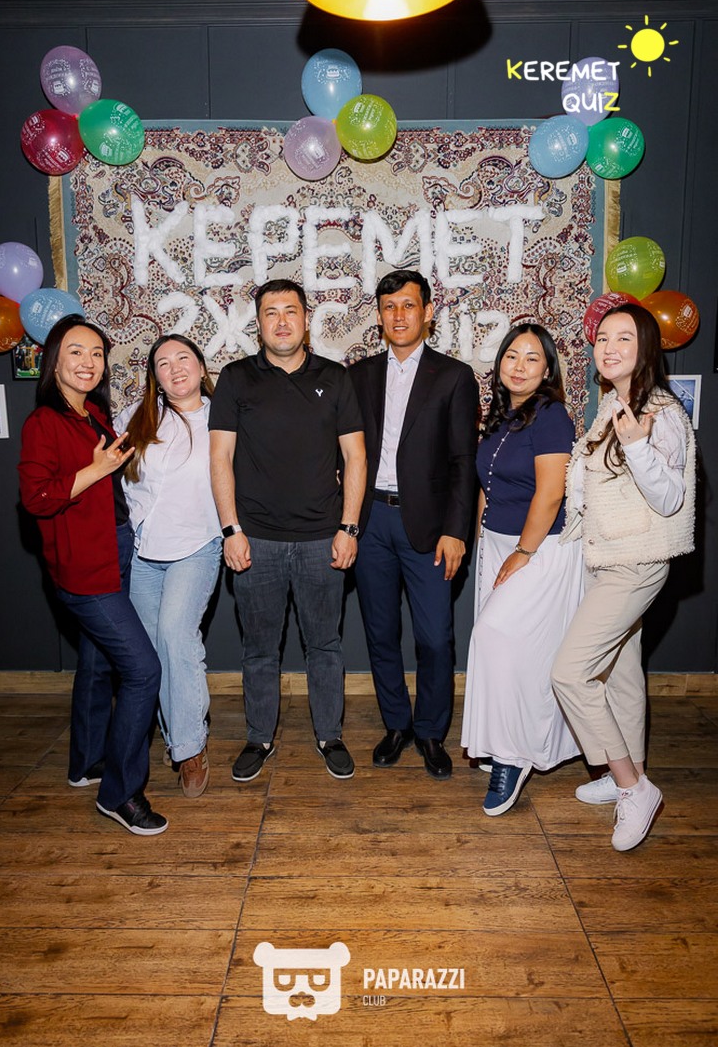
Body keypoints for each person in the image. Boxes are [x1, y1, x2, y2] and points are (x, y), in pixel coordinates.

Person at [209, 278, 367, 781]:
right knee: (259, 650)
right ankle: (259, 737)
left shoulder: (335, 378)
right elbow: (220, 458)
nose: (281, 321)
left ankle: (330, 735)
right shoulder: (236, 379)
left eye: (290, 311)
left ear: (306, 319)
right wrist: (231, 529)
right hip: (255, 541)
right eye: (271, 312)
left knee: (325, 645)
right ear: (258, 324)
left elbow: (356, 457)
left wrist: (350, 528)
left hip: (324, 538)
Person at [551, 303, 695, 852]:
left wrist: (636, 444)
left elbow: (670, 497)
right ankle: (625, 773)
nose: (608, 348)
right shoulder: (615, 403)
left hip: (636, 563)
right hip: (606, 557)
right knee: (621, 675)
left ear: (646, 348)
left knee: (570, 674)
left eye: (623, 339)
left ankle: (634, 787)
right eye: (602, 339)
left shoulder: (661, 412)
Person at [18, 315, 166, 836]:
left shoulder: (94, 413)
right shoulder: (44, 423)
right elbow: (37, 498)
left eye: (97, 353)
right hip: (84, 569)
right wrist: (98, 469)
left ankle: (85, 762)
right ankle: (120, 793)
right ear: (54, 361)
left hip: (116, 549)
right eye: (76, 352)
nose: (88, 362)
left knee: (99, 661)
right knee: (144, 671)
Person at [349, 270, 479, 780]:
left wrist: (456, 530)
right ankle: (397, 725)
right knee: (381, 633)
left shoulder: (454, 377)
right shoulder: (358, 375)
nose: (398, 315)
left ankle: (430, 731)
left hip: (429, 526)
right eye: (389, 307)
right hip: (371, 521)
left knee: (435, 638)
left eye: (408, 305)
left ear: (427, 312)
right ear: (379, 315)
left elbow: (464, 462)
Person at [461, 324, 583, 815]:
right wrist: (481, 539)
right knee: (507, 655)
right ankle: (501, 743)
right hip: (498, 544)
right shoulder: (500, 417)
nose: (519, 366)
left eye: (533, 358)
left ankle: (513, 760)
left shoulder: (552, 417)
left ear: (547, 369)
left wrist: (523, 552)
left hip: (540, 549)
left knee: (497, 639)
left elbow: (551, 493)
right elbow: (487, 486)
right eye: (512, 355)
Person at [115, 335, 221, 799]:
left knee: (177, 637)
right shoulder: (135, 417)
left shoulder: (223, 418)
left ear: (201, 367)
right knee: (153, 649)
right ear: (154, 377)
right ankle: (177, 731)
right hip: (143, 551)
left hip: (198, 545)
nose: (175, 368)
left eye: (183, 358)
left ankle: (191, 748)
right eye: (163, 363)